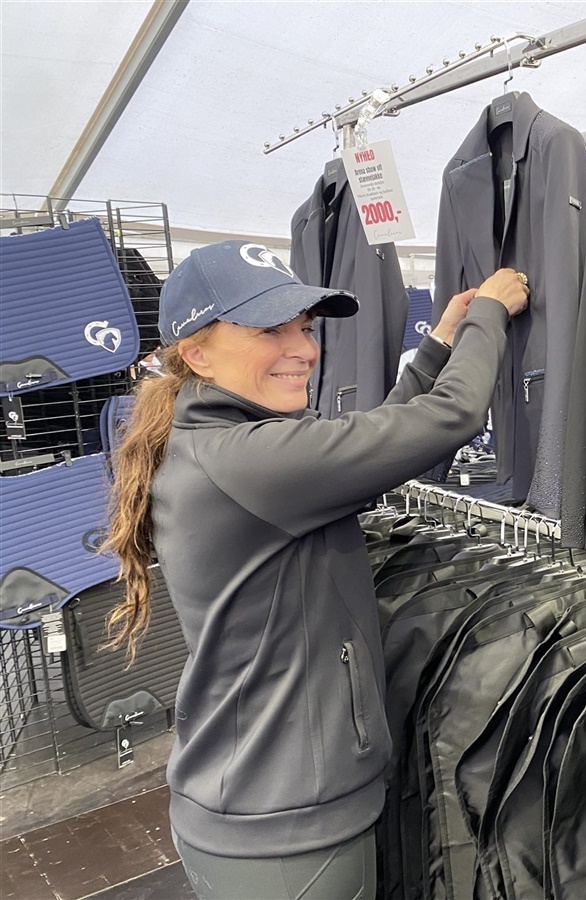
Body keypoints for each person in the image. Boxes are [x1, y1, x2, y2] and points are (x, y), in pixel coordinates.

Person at [103, 239, 528, 900]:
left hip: (252, 805)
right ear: (197, 352)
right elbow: (450, 417)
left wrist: (441, 342)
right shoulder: (250, 460)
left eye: (304, 328)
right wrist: (490, 315)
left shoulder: (214, 445)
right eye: (269, 330)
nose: (302, 348)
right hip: (286, 828)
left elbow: (377, 437)